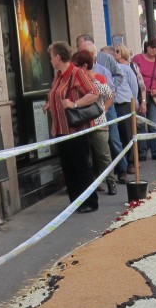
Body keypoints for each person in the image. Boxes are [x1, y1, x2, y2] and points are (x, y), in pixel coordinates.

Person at [44, 41, 101, 213]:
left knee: (81, 165)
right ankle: (76, 201)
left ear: (58, 57)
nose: (50, 60)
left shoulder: (77, 73)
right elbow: (56, 96)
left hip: (76, 128)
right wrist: (50, 105)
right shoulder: (59, 76)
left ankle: (90, 201)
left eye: (51, 56)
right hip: (61, 129)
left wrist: (74, 104)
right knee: (68, 166)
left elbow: (94, 93)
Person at [72, 49, 116, 196]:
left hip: (98, 122)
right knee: (87, 156)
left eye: (76, 66)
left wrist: (104, 109)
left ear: (84, 66)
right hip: (82, 123)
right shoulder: (75, 81)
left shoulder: (99, 78)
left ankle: (111, 181)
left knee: (103, 155)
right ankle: (94, 183)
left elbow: (109, 94)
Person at [132, 38, 156, 160]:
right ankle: (142, 151)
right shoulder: (137, 59)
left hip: (152, 94)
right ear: (147, 46)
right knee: (140, 124)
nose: (153, 50)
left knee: (154, 124)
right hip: (140, 94)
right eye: (151, 47)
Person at [113, 44, 140, 182]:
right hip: (114, 105)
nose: (115, 53)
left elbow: (134, 86)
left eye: (117, 51)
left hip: (125, 104)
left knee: (129, 134)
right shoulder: (110, 70)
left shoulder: (127, 69)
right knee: (117, 137)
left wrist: (133, 102)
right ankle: (121, 166)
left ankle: (131, 162)